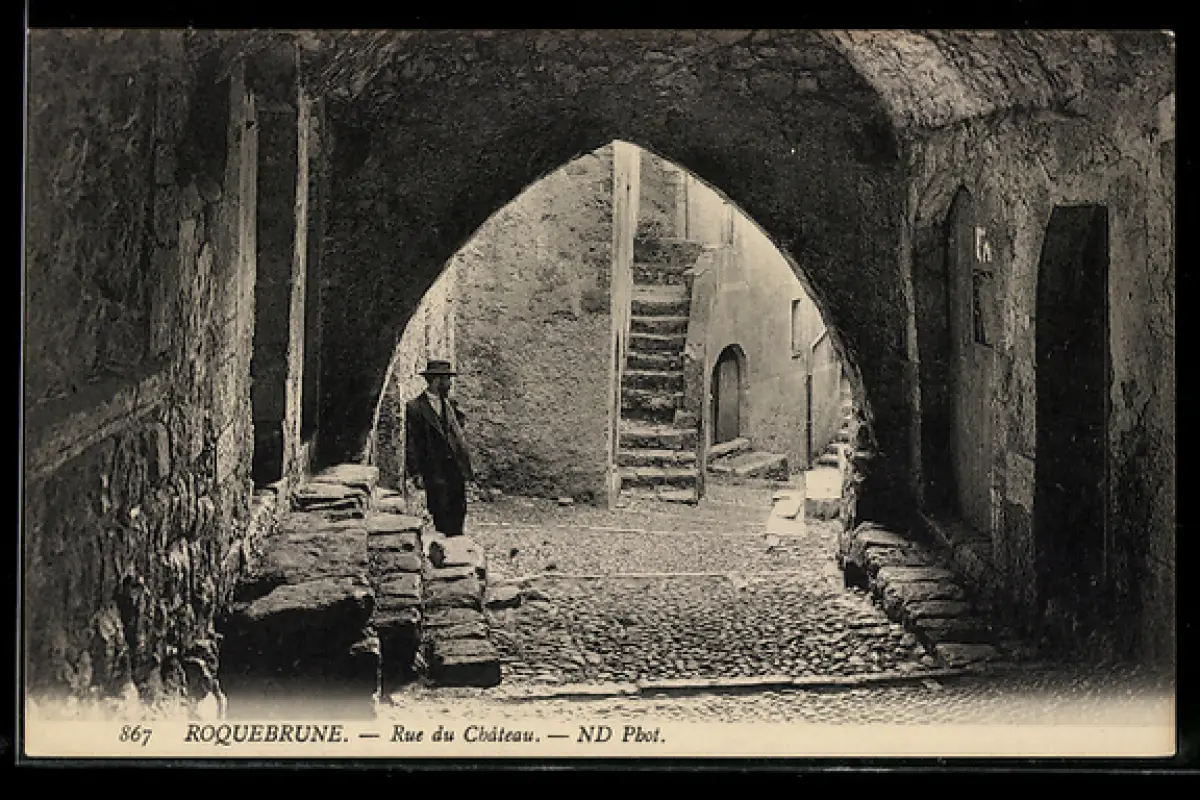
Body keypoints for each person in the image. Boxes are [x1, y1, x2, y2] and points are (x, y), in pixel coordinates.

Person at [404, 359, 474, 536]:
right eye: (447, 379)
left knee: (459, 510)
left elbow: (458, 434)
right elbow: (411, 443)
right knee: (440, 511)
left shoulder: (451, 405)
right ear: (436, 380)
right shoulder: (415, 408)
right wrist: (416, 473)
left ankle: (457, 543)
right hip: (434, 470)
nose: (449, 384)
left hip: (455, 470)